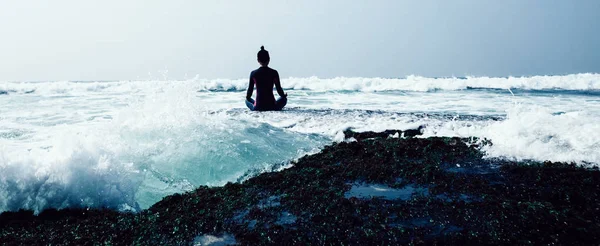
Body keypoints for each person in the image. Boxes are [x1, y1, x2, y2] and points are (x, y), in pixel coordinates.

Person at [245, 46, 287, 111]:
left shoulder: (253, 73)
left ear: (258, 60)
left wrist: (247, 97)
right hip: (273, 107)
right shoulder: (274, 72)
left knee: (247, 100)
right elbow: (279, 90)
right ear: (269, 59)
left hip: (258, 107)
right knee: (284, 99)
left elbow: (249, 92)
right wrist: (284, 95)